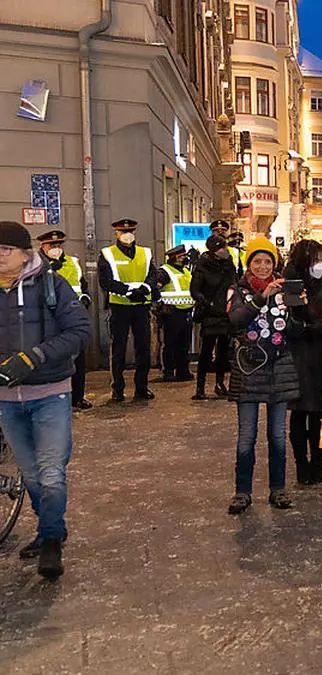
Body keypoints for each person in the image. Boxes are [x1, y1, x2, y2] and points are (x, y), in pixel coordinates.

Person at [0, 221, 91, 578]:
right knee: (32, 476)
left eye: (5, 250)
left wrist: (33, 357)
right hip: (7, 400)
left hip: (50, 394)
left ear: (25, 255)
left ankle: (51, 538)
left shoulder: (52, 284)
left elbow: (80, 331)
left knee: (52, 473)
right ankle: (51, 525)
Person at [226, 237, 300, 515]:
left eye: (267, 261)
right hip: (250, 369)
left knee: (278, 435)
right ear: (249, 264)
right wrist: (262, 297)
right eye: (257, 261)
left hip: (279, 368)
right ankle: (242, 492)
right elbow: (235, 320)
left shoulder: (284, 290)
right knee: (247, 435)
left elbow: (295, 330)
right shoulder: (239, 290)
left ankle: (277, 489)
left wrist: (300, 308)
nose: (262, 266)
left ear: (275, 263)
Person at [283, 239, 322, 485]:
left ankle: (318, 463)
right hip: (297, 357)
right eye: (314, 258)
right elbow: (290, 321)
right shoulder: (291, 282)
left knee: (319, 414)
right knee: (298, 414)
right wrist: (307, 325)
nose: (319, 263)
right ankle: (301, 466)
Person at [98, 218, 157, 402]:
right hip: (120, 307)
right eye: (123, 232)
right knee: (118, 350)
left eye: (130, 231)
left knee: (144, 349)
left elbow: (153, 275)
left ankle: (142, 387)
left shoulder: (145, 253)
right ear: (116, 234)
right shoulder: (107, 254)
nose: (127, 235)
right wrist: (129, 291)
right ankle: (118, 389)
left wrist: (145, 289)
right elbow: (105, 281)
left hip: (141, 306)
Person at [36, 230, 92, 411]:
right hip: (47, 321)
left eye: (59, 245)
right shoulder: (35, 265)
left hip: (71, 318)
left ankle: (77, 397)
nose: (56, 249)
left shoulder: (73, 263)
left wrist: (85, 298)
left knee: (78, 359)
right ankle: (52, 399)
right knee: (52, 358)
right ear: (43, 246)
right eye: (52, 245)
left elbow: (83, 286)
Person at [190, 235, 236, 400]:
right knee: (206, 351)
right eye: (222, 248)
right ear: (214, 251)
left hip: (225, 313)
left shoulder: (229, 265)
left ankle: (220, 383)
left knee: (223, 352)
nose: (225, 250)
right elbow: (195, 290)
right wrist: (206, 303)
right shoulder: (202, 266)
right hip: (210, 314)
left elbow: (234, 284)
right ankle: (200, 387)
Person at [155, 245, 194, 382]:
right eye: (182, 256)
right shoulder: (164, 272)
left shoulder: (186, 271)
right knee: (170, 343)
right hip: (171, 312)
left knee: (184, 343)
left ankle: (183, 370)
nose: (185, 259)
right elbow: (155, 289)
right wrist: (159, 305)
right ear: (174, 258)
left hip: (186, 311)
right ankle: (169, 371)